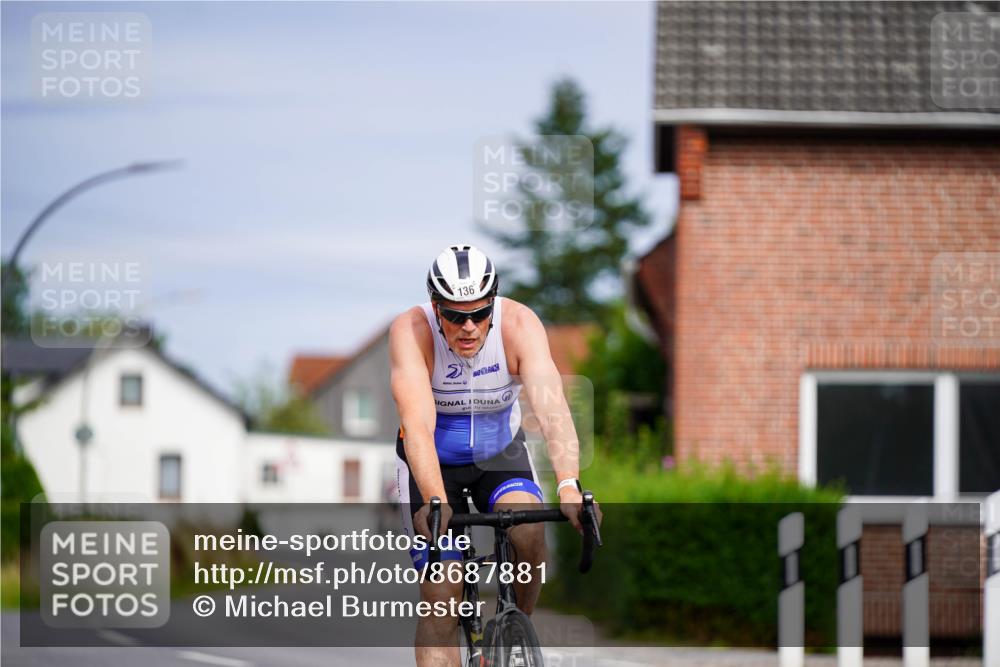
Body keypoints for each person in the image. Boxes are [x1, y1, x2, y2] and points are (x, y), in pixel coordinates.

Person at [389, 243, 591, 667]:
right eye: (455, 316)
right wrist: (434, 499)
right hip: (433, 464)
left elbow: (553, 410)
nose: (468, 327)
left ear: (493, 305)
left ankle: (513, 638)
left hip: (500, 454)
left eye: (480, 314)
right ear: (436, 307)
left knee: (530, 533)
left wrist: (570, 485)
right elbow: (418, 426)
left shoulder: (519, 325)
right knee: (442, 593)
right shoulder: (411, 331)